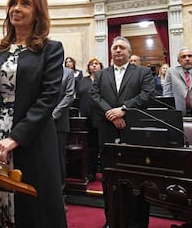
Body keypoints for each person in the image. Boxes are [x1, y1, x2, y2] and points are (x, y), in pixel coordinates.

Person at [0, 0, 68, 228]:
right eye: (14, 3)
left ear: (38, 13)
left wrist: (15, 137)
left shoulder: (51, 49)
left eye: (25, 4)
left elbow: (49, 97)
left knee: (34, 210)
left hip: (32, 138)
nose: (16, 9)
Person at [89, 36, 154, 228]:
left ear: (128, 51)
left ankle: (137, 223)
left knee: (137, 178)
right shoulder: (101, 74)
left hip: (133, 130)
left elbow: (148, 95)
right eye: (114, 47)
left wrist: (124, 109)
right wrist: (111, 113)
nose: (117, 50)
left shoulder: (142, 72)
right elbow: (93, 95)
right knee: (109, 178)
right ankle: (112, 220)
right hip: (108, 131)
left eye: (121, 48)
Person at [77, 57, 103, 181]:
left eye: (96, 64)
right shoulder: (83, 80)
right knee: (89, 147)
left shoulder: (104, 79)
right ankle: (90, 172)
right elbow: (78, 96)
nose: (94, 66)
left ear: (101, 66)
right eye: (91, 64)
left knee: (101, 146)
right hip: (85, 118)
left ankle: (104, 172)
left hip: (101, 118)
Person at [53, 66, 75, 205]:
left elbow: (69, 95)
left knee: (58, 158)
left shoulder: (67, 73)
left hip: (58, 123)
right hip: (38, 122)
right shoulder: (42, 69)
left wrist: (53, 114)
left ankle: (60, 194)